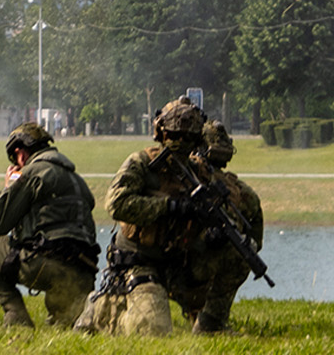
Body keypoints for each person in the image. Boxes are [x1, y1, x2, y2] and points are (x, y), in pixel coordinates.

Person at [83, 98, 232, 336]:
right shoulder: (143, 163)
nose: (180, 142)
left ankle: (210, 325)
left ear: (197, 140)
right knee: (154, 331)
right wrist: (169, 206)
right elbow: (116, 204)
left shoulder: (199, 172)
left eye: (187, 137)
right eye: (174, 135)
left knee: (236, 253)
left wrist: (212, 234)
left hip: (179, 264)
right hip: (139, 262)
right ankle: (103, 311)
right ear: (162, 134)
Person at [0, 121, 98, 331]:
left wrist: (9, 186)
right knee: (62, 328)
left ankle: (15, 314)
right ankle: (65, 314)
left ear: (21, 154)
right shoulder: (77, 180)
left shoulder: (33, 172)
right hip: (83, 274)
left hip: (46, 264)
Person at [172, 121, 263, 335]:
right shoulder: (243, 193)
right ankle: (210, 322)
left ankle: (207, 322)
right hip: (189, 272)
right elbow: (256, 242)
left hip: (168, 270)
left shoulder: (174, 178)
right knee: (244, 250)